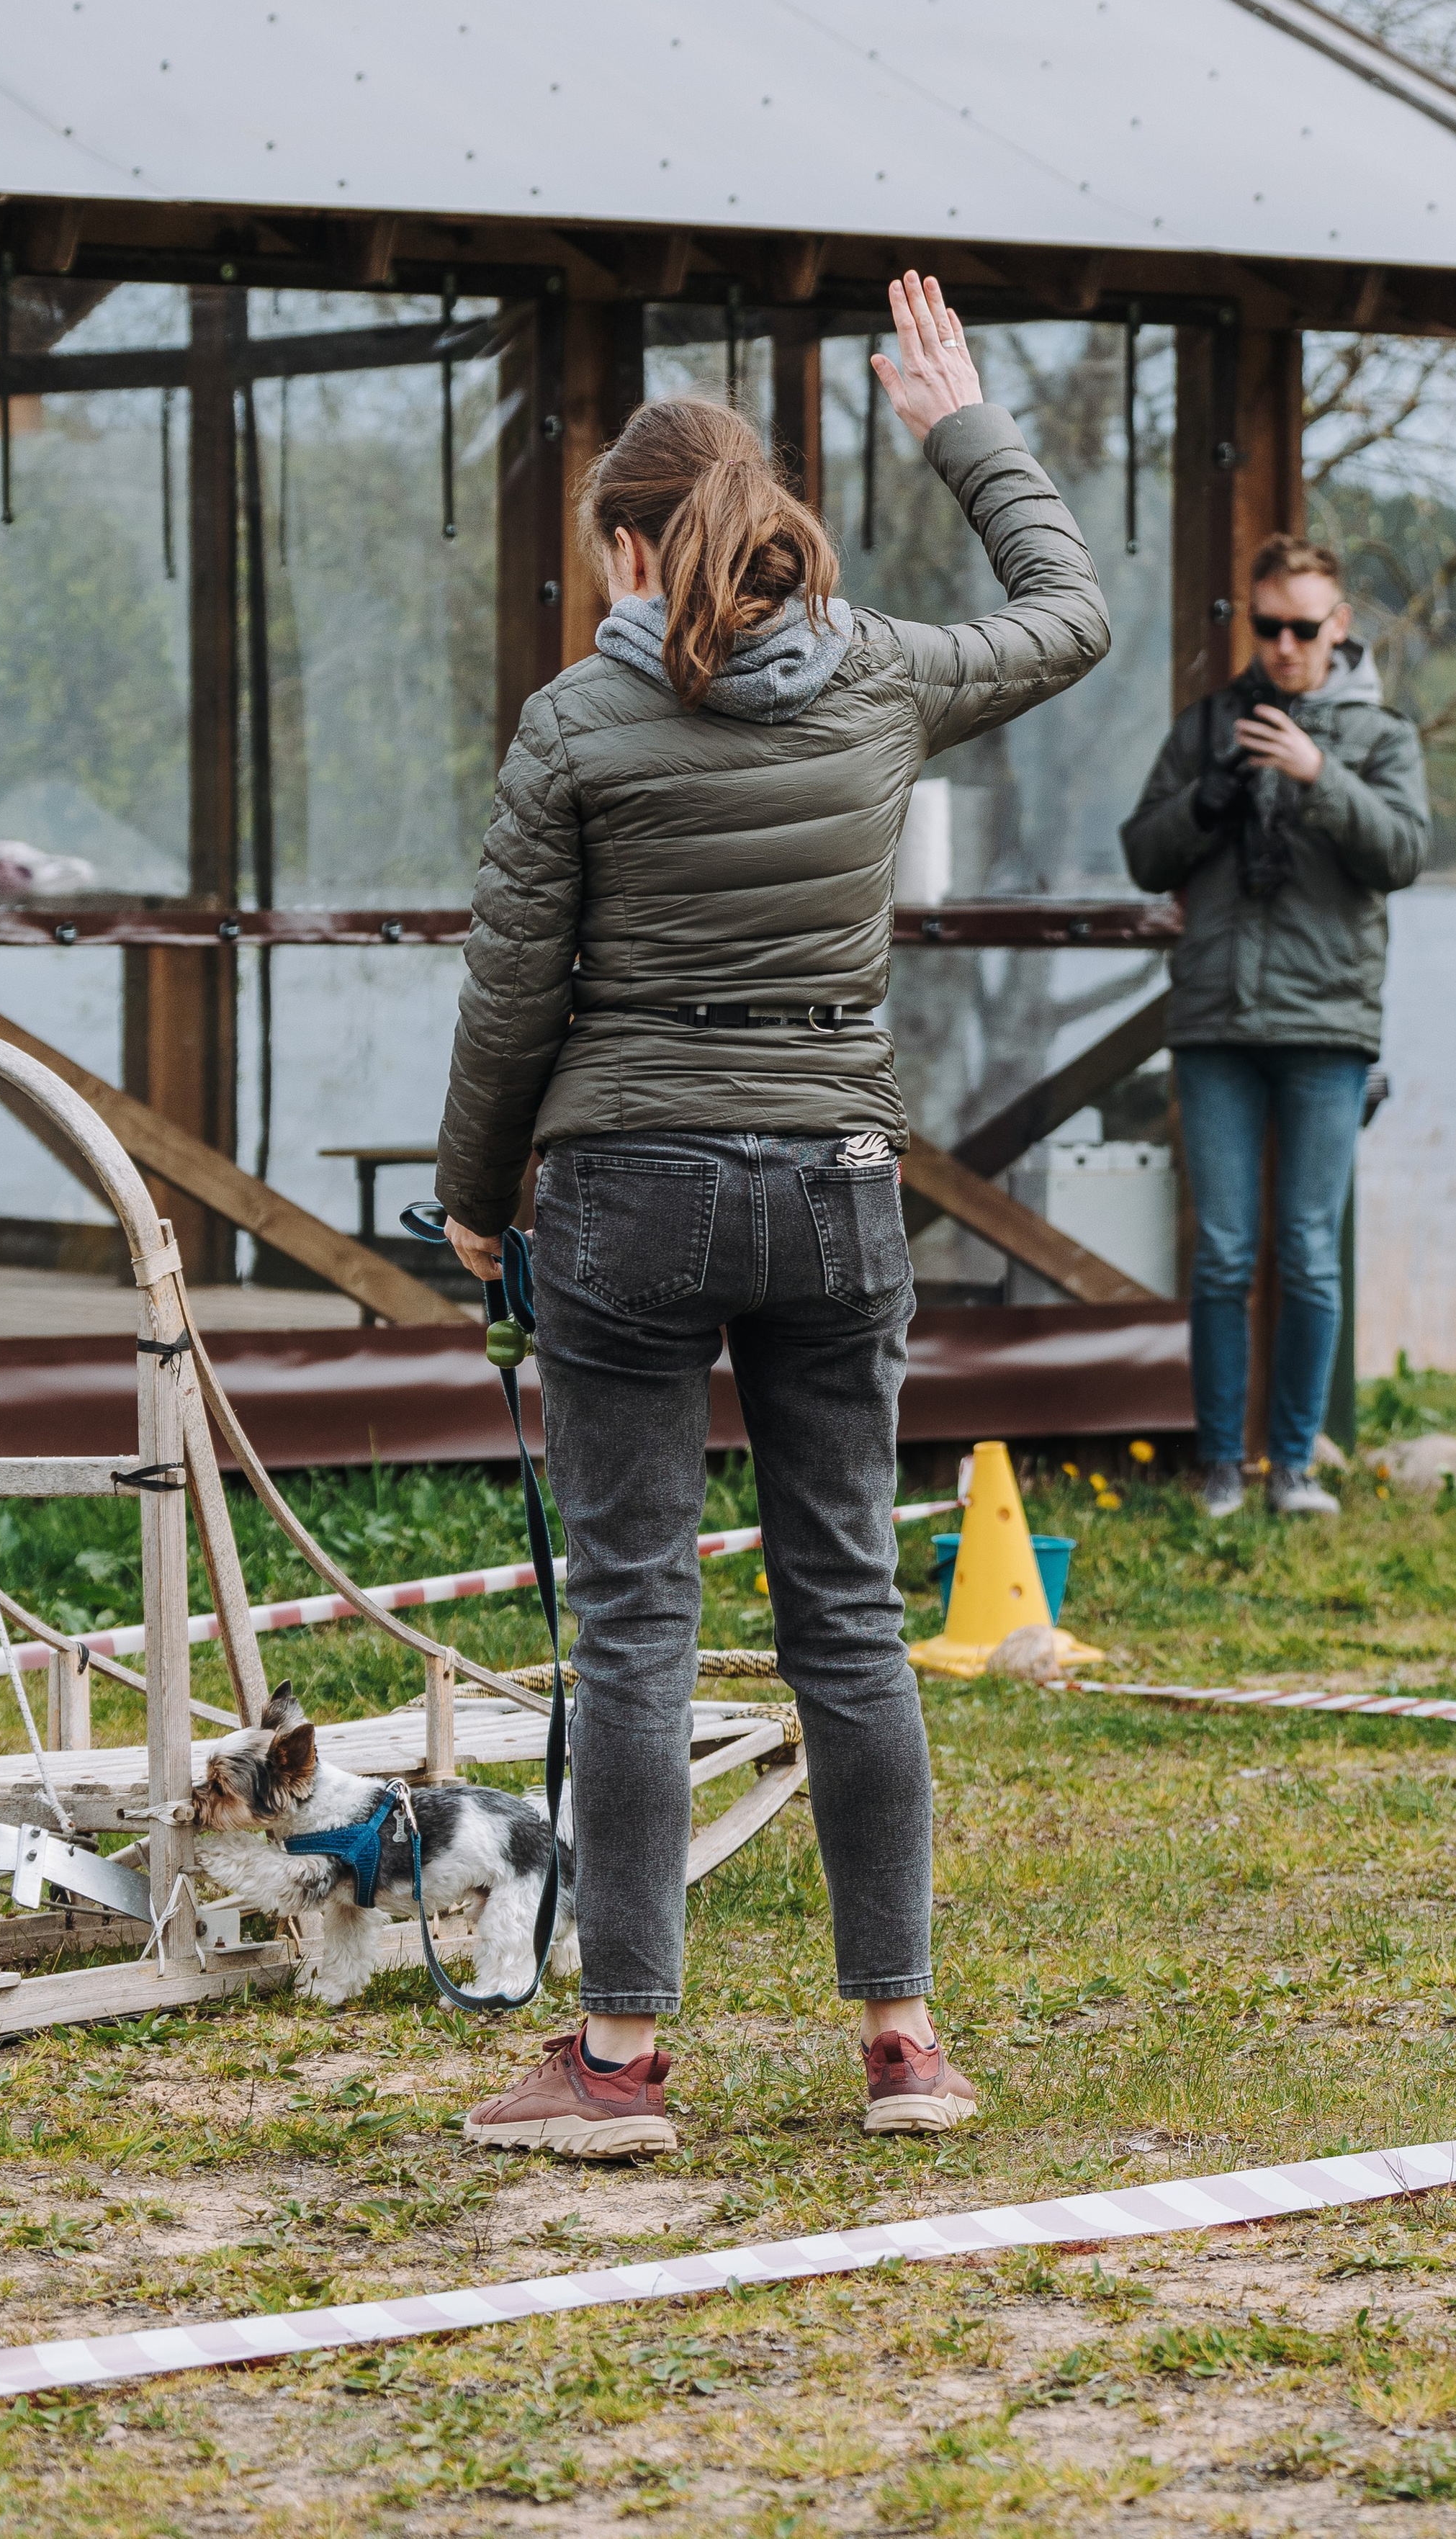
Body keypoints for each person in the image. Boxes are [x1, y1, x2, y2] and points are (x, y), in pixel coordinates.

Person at [430, 272, 1110, 2159]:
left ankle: (623, 2065)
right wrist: (961, 428)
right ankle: (903, 2039)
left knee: (641, 1616)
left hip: (634, 1192)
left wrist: (477, 1203)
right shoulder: (880, 671)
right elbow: (1075, 613)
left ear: (639, 543)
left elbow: (511, 997)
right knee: (850, 1616)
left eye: (604, 553)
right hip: (833, 1180)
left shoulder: (578, 722)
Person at [1120, 536, 1429, 1520]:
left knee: (1306, 1248)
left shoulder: (1380, 732)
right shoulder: (1208, 724)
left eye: (1305, 626)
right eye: (1269, 625)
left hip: (1327, 1024)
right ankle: (1220, 1466)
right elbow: (1140, 852)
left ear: (1340, 626)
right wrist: (1203, 802)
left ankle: (1292, 1465)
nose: (1286, 644)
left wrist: (1318, 773)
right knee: (1219, 1250)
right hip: (1214, 1018)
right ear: (1252, 620)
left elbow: (1405, 854)